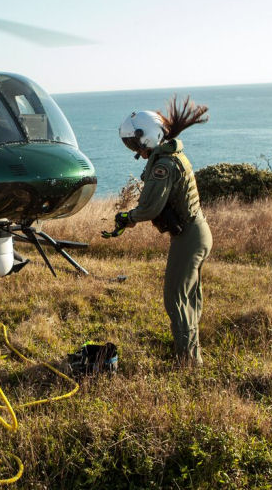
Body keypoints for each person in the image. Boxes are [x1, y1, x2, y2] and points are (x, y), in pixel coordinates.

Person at [107, 96, 212, 367]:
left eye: (134, 142)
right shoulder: (171, 154)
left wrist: (128, 217)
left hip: (189, 236)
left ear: (148, 137)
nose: (134, 148)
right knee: (189, 296)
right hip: (196, 232)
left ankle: (188, 360)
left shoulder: (164, 165)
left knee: (176, 297)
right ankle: (190, 352)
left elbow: (150, 207)